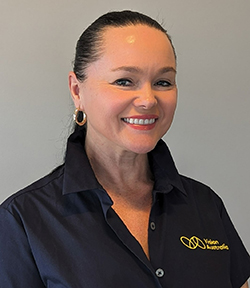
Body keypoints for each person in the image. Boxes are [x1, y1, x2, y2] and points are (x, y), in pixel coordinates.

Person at [0, 10, 249, 288]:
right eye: (124, 81)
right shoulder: (23, 220)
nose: (147, 100)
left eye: (163, 82)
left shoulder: (205, 205)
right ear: (76, 90)